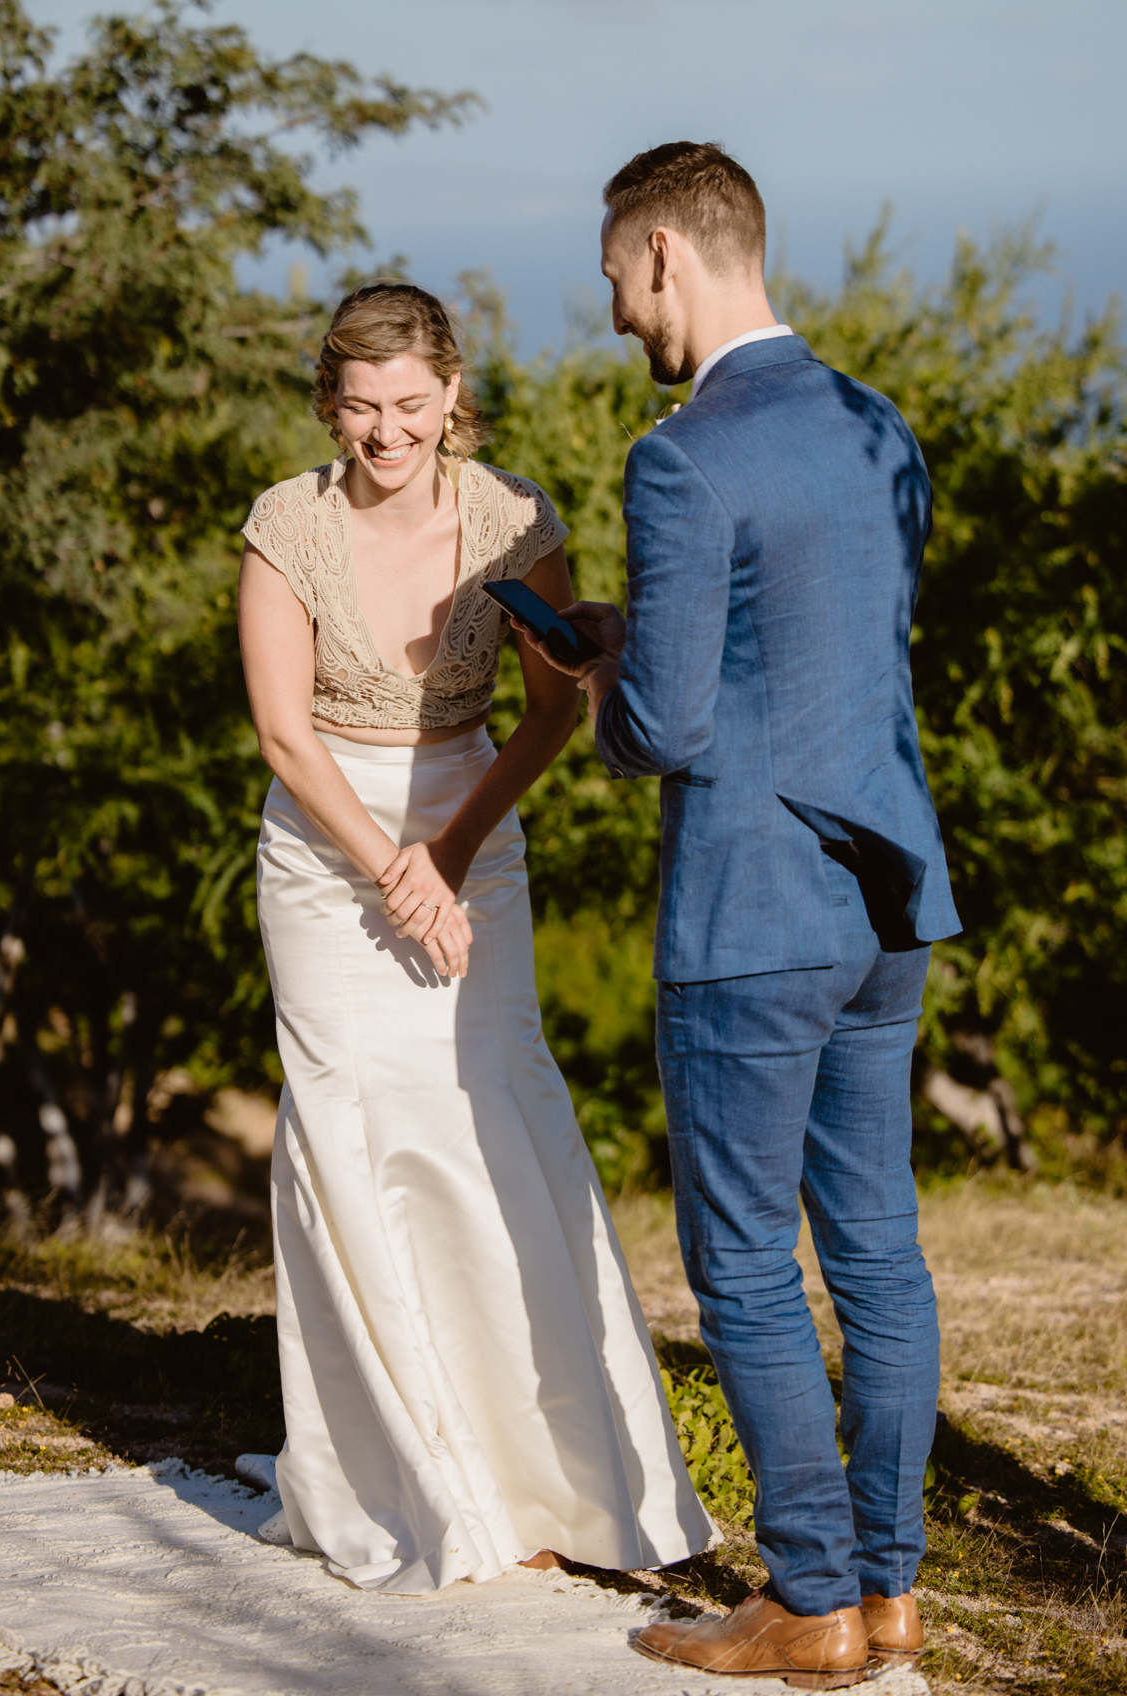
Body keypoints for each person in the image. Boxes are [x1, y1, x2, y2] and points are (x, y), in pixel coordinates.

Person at [526, 142, 957, 1688]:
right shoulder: (875, 425)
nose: (618, 313)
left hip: (754, 910)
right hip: (888, 897)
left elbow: (668, 731)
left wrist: (605, 675)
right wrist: (658, 640)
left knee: (748, 1266)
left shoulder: (683, 456)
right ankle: (892, 1592)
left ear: (661, 254)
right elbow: (818, 648)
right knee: (879, 1249)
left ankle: (809, 1597)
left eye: (615, 281)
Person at [237, 282, 717, 1597]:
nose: (385, 433)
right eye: (360, 407)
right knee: (350, 1129)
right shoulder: (287, 523)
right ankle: (411, 1482)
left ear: (452, 394)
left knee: (490, 1116)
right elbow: (283, 731)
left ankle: (556, 1480)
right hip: (325, 841)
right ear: (328, 403)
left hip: (471, 825)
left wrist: (444, 857)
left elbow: (557, 713)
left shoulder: (515, 521)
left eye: (409, 405)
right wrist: (386, 864)